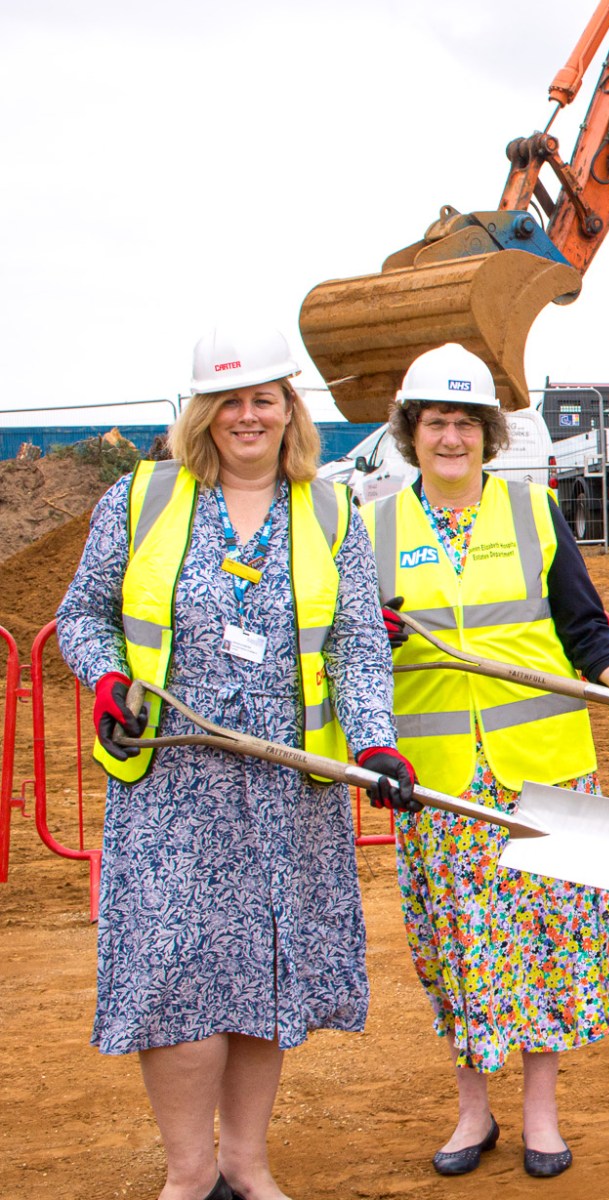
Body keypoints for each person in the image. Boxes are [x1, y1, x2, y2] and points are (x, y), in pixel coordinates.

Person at [57, 323, 406, 1200]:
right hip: (174, 781)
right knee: (179, 975)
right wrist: (105, 680)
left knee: (267, 971)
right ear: (202, 413)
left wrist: (374, 738)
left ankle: (248, 1166)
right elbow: (82, 616)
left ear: (289, 408)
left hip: (289, 784)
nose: (249, 416)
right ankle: (189, 1172)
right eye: (231, 402)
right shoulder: (140, 500)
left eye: (266, 399)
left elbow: (363, 644)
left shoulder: (331, 510)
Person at [366, 344, 609, 1181]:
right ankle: (473, 1111)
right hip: (437, 781)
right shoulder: (371, 526)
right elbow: (349, 654)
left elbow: (586, 632)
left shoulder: (534, 510)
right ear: (411, 431)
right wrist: (375, 638)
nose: (450, 438)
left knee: (548, 943)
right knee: (461, 947)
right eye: (435, 422)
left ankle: (541, 1113)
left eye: (465, 423)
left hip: (542, 769)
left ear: (488, 433)